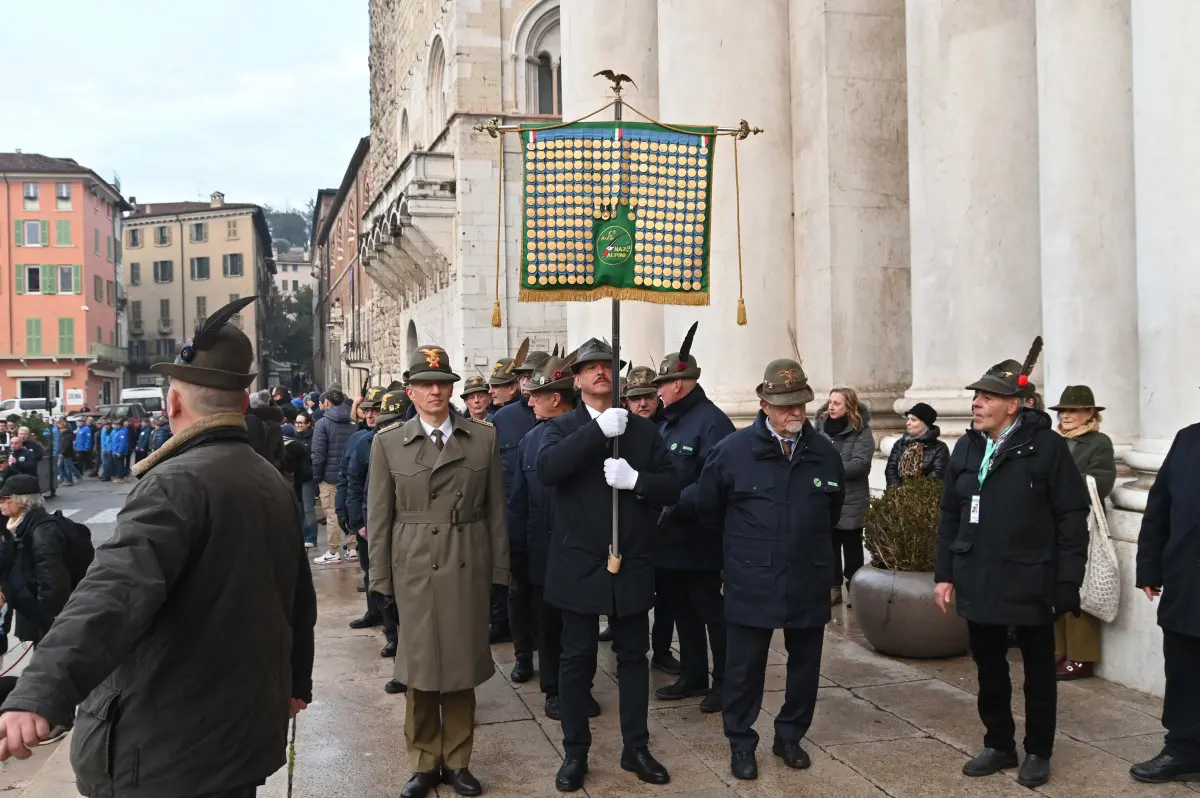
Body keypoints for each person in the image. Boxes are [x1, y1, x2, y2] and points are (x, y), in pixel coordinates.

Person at [0, 296, 317, 797]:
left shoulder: (175, 482)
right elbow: (298, 594)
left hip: (169, 749)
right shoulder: (267, 477)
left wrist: (40, 691)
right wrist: (297, 680)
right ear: (240, 401)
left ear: (172, 404)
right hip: (239, 737)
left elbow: (112, 593)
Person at [933, 340, 1089, 789]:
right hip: (978, 575)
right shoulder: (965, 447)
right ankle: (999, 743)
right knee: (988, 668)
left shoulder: (1047, 448)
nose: (976, 403)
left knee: (1039, 672)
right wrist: (945, 573)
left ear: (1014, 405)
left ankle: (1038, 749)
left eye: (986, 397)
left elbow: (1071, 517)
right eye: (975, 396)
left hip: (1031, 579)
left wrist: (1067, 581)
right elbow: (949, 514)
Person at [537, 337, 680, 792]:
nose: (602, 372)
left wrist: (639, 481)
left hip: (631, 560)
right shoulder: (563, 426)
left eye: (609, 366)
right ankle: (575, 752)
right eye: (592, 367)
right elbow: (549, 470)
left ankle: (635, 747)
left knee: (634, 659)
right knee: (576, 661)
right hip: (578, 561)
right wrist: (597, 433)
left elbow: (673, 486)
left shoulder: (643, 431)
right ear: (575, 379)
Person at [367, 345, 509, 798]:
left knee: (462, 664)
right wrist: (380, 579)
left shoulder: (482, 437)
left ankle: (458, 760)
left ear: (452, 389)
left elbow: (496, 512)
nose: (434, 391)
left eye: (442, 383)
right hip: (414, 564)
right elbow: (379, 517)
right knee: (421, 667)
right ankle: (424, 762)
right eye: (425, 384)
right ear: (409, 391)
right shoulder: (388, 442)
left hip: (467, 557)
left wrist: (499, 572)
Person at [696, 358, 844, 781]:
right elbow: (709, 510)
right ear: (763, 404)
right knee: (744, 669)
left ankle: (790, 736)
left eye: (800, 403)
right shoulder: (732, 452)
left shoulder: (824, 453)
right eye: (784, 405)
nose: (795, 412)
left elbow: (831, 511)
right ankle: (741, 743)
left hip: (807, 577)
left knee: (805, 667)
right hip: (751, 578)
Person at [509, 351, 601, 721]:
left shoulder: (589, 436)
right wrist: (516, 551)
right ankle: (554, 689)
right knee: (547, 626)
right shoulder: (530, 441)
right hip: (543, 551)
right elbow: (520, 501)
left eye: (536, 395)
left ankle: (582, 686)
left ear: (557, 397)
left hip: (582, 551)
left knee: (582, 626)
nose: (529, 401)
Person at [651, 324, 734, 714]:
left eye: (662, 386)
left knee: (709, 611)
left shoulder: (711, 422)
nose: (658, 392)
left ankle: (726, 683)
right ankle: (695, 674)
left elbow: (714, 484)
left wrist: (673, 501)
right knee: (682, 609)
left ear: (679, 385)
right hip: (670, 538)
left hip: (698, 537)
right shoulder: (670, 421)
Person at [0, 475, 92, 743]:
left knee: (51, 666)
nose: (1, 503)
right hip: (32, 610)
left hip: (47, 614)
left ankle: (58, 721)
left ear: (20, 501)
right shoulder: (17, 524)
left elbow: (54, 583)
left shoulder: (43, 531)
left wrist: (49, 621)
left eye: (5, 499)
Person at [1134, 416, 1200, 784]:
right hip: (1188, 581)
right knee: (1184, 671)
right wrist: (1150, 568)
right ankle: (1183, 750)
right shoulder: (1188, 439)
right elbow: (1159, 506)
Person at [1049, 386, 1116, 682]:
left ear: (1090, 413)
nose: (1066, 416)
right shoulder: (1052, 441)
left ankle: (1081, 657)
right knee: (1054, 585)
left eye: (1073, 410)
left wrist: (1061, 479)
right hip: (1051, 522)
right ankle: (1058, 651)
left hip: (1081, 523)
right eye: (1063, 411)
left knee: (1080, 587)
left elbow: (1102, 482)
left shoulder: (1099, 442)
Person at [622, 365, 678, 674]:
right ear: (626, 402)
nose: (642, 403)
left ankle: (662, 649)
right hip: (633, 526)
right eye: (635, 398)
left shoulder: (671, 427)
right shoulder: (620, 431)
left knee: (666, 595)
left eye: (647, 397)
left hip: (668, 524)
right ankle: (627, 649)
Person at [485, 339, 536, 647]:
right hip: (513, 518)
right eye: (522, 376)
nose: (526, 381)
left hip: (549, 520)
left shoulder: (563, 414)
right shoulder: (502, 419)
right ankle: (522, 654)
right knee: (516, 589)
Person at [814, 388, 874, 606]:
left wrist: (830, 470)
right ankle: (833, 589)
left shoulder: (861, 432)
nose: (831, 407)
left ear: (849, 406)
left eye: (837, 403)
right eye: (830, 402)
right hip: (826, 499)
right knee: (829, 548)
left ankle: (855, 589)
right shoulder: (819, 429)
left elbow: (860, 465)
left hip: (851, 500)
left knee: (852, 549)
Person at [342, 386, 387, 633]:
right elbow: (349, 481)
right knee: (370, 571)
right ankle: (374, 612)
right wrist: (354, 520)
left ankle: (391, 623)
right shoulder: (357, 441)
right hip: (365, 521)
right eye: (367, 410)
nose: (371, 415)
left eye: (376, 409)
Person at [311, 388, 356, 564]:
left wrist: (317, 477)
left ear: (327, 403)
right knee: (350, 511)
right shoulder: (353, 423)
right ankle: (352, 549)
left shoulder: (322, 424)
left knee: (331, 513)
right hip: (349, 474)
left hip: (329, 477)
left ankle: (333, 550)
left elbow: (318, 454)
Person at [884, 402, 950, 486]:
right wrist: (897, 491)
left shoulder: (939, 448)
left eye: (913, 420)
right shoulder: (900, 444)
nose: (908, 423)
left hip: (925, 496)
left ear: (925, 424)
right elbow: (891, 469)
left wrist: (914, 493)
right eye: (908, 419)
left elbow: (938, 475)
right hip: (898, 496)